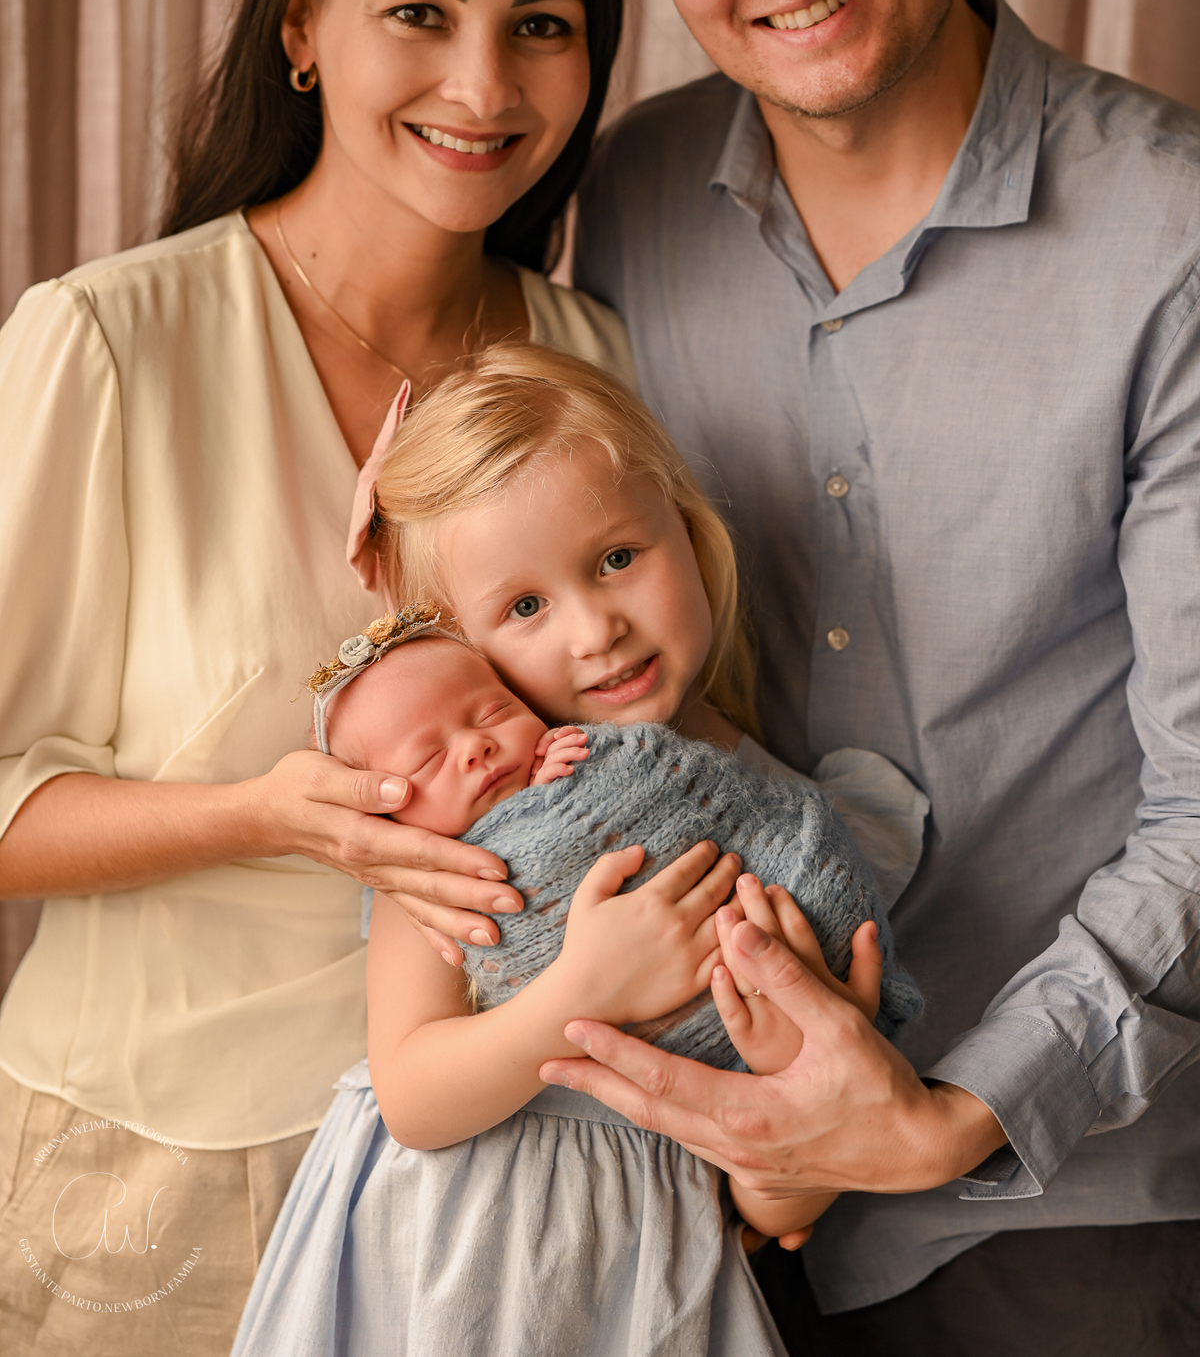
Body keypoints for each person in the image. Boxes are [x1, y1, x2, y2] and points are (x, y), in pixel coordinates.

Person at [547, 0, 1200, 1357]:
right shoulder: (626, 202)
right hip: (693, 1197)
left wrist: (948, 1111)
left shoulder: (1175, 237)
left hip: (1067, 1206)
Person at [0, 0, 637, 1354]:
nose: (483, 85)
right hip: (160, 1171)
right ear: (301, 25)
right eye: (420, 12)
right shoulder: (107, 343)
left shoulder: (592, 360)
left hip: (505, 1192)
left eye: (542, 25)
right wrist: (267, 815)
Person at [233, 349, 926, 1357]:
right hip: (452, 1253)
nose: (597, 628)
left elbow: (774, 1209)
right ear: (460, 646)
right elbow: (415, 1097)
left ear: (687, 528)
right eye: (524, 608)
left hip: (649, 1272)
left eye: (616, 558)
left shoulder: (778, 825)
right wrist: (580, 990)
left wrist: (799, 1071)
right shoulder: (461, 828)